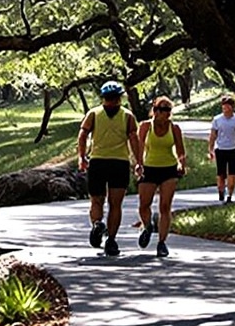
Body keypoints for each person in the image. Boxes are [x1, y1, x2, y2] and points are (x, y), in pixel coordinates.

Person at [77, 80, 134, 256]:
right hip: (119, 162)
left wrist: (81, 156)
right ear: (120, 98)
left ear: (103, 98)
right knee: (115, 204)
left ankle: (97, 224)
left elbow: (83, 135)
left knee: (96, 200)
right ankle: (111, 240)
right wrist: (138, 161)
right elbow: (134, 140)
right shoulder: (127, 115)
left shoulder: (93, 113)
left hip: (98, 162)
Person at [131, 96, 188, 259]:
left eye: (167, 110)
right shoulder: (145, 126)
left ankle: (162, 243)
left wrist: (182, 164)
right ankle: (147, 226)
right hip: (149, 169)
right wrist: (138, 164)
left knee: (165, 207)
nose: (164, 113)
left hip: (168, 169)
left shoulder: (174, 128)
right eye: (161, 109)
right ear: (154, 110)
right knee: (144, 205)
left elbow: (181, 150)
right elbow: (140, 147)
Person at [207, 93, 235, 202]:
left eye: (228, 106)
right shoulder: (217, 119)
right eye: (223, 106)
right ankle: (221, 192)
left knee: (232, 173)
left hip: (234, 149)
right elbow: (213, 135)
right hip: (221, 149)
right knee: (221, 174)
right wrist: (210, 149)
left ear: (232, 107)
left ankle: (230, 195)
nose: (225, 108)